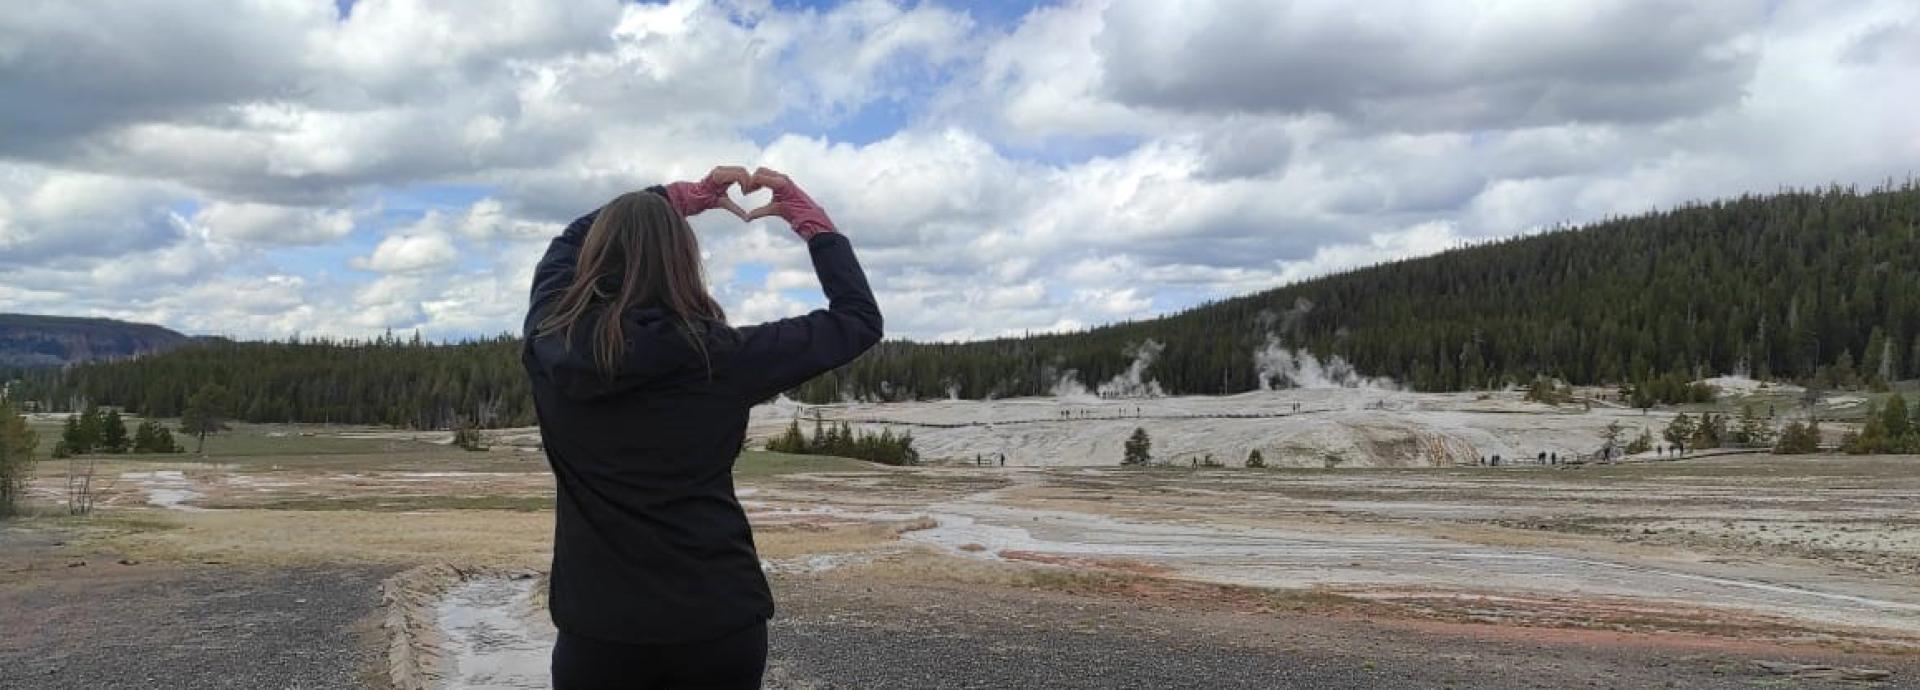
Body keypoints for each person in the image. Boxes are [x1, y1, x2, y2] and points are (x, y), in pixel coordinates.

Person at [523, 166, 882, 689]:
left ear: (594, 258)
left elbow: (563, 244)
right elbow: (857, 320)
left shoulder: (551, 343)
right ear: (683, 263)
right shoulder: (724, 357)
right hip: (717, 624)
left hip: (599, 631)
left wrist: (671, 197)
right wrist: (815, 226)